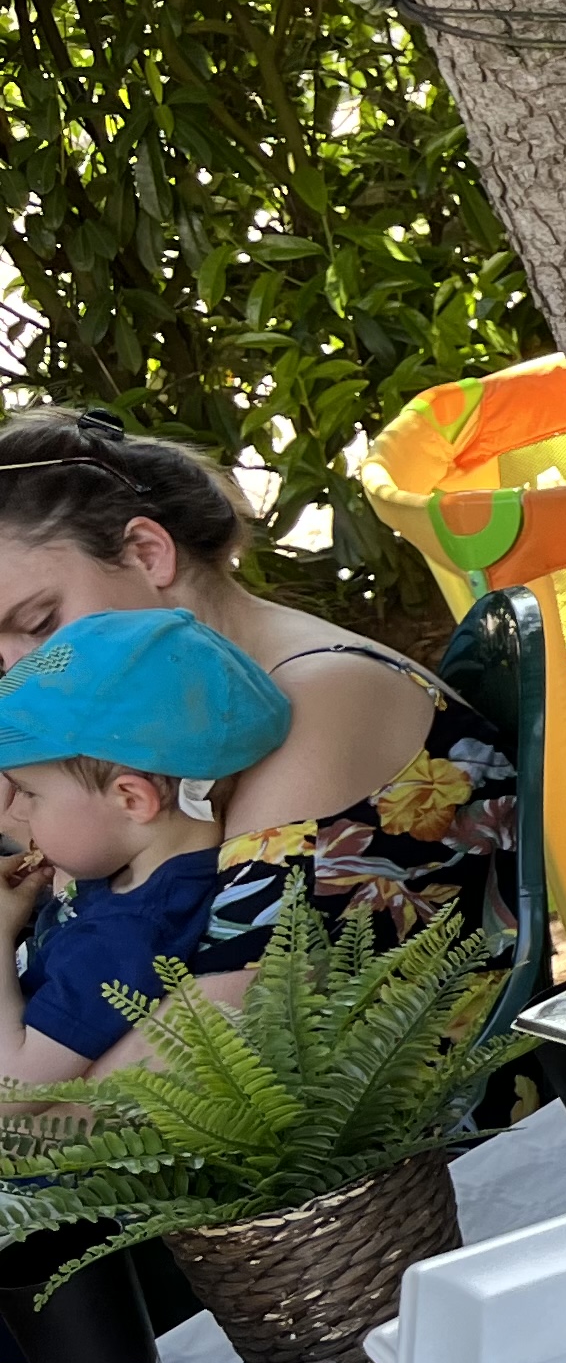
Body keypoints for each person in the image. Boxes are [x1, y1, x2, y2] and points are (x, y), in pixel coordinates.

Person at [0, 411, 518, 1050]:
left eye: (41, 622)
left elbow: (191, 1065)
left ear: (147, 554)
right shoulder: (171, 722)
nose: (18, 674)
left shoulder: (323, 700)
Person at [0, 608, 294, 1079]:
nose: (16, 813)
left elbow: (14, 1092)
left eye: (30, 793)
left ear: (132, 800)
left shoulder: (126, 937)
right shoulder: (135, 877)